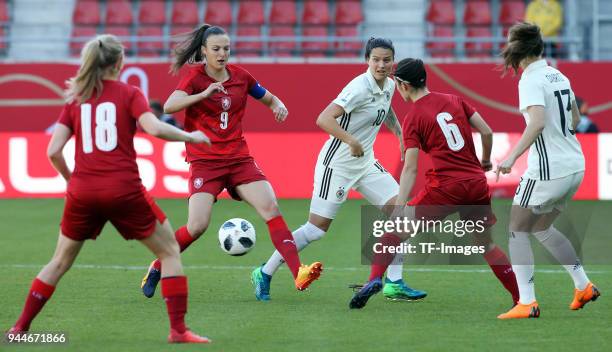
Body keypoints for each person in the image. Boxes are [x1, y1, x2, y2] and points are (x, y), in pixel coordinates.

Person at [6, 35, 211, 343]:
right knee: (169, 251)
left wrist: (70, 180)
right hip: (123, 189)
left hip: (83, 192)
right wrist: (192, 137)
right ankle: (178, 331)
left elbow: (53, 150)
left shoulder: (76, 100)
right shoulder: (130, 93)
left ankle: (19, 330)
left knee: (59, 261)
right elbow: (154, 128)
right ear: (119, 63)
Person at [140, 24, 323, 298]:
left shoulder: (240, 76)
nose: (222, 53)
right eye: (216, 49)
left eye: (226, 48)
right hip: (206, 161)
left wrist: (277, 106)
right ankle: (157, 265)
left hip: (238, 159)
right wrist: (203, 94)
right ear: (204, 51)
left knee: (270, 207)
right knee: (197, 226)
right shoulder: (195, 78)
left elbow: (267, 97)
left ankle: (298, 272)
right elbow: (169, 106)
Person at [251, 37, 427, 302]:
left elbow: (386, 109)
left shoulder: (390, 85)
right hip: (338, 164)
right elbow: (323, 118)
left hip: (366, 163)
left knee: (402, 212)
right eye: (376, 59)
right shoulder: (358, 87)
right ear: (367, 60)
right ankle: (264, 272)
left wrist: (400, 134)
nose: (381, 65)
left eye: (386, 60)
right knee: (316, 230)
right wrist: (351, 140)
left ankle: (394, 282)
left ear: (393, 62)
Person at [349, 58, 519, 309]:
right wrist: (484, 160)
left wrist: (400, 205)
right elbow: (486, 131)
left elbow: (411, 167)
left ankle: (374, 279)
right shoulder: (455, 100)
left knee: (392, 234)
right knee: (487, 245)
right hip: (475, 183)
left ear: (403, 85)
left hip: (446, 188)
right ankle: (521, 299)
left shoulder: (414, 118)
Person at [496, 22, 599, 319]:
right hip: (575, 165)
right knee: (540, 227)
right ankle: (583, 285)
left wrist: (512, 156)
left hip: (547, 170)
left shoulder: (529, 79)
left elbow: (537, 122)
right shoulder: (558, 74)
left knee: (516, 230)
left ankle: (527, 302)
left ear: (517, 48)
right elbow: (576, 118)